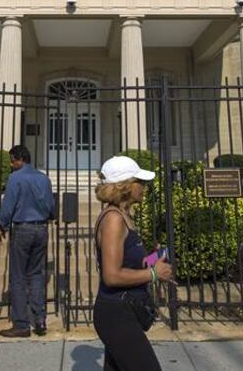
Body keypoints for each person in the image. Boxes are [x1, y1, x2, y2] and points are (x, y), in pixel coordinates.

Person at [92, 155, 173, 371]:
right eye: (140, 182)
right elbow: (111, 275)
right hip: (115, 313)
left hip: (124, 310)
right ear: (125, 185)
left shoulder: (124, 215)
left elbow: (132, 262)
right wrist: (154, 274)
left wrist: (155, 258)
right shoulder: (113, 220)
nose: (144, 187)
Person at [0, 144, 55, 337]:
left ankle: (21, 324)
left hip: (22, 229)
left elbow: (8, 205)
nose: (11, 165)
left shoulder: (15, 178)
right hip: (41, 228)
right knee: (36, 274)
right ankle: (39, 320)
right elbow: (51, 206)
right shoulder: (43, 178)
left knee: (18, 276)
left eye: (12, 161)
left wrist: (1, 224)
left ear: (19, 159)